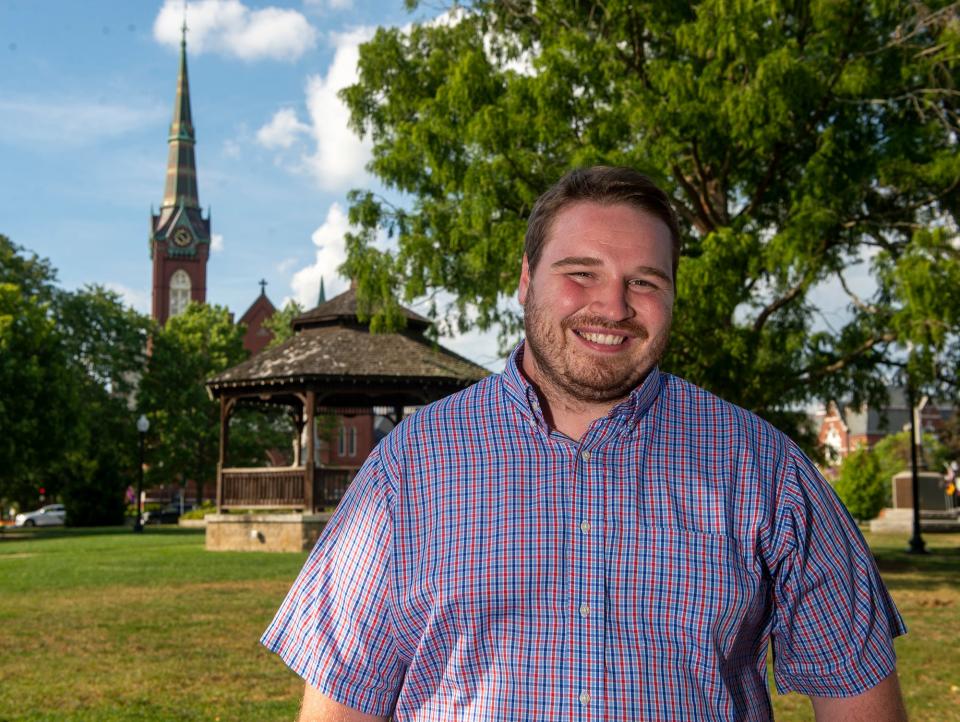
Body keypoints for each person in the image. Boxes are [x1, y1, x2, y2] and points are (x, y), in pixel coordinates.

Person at [262, 166, 908, 721]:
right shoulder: (408, 468)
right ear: (525, 279)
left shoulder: (767, 471)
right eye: (581, 272)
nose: (613, 305)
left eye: (645, 281)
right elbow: (340, 705)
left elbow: (858, 695)